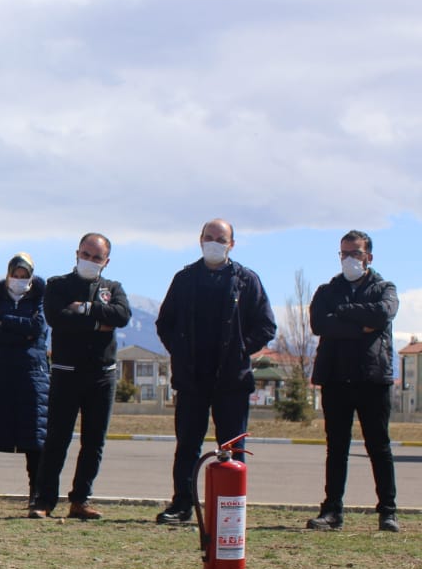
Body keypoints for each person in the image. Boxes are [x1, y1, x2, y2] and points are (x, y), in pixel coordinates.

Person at [154, 219, 276, 524]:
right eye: (209, 237)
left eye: (220, 239)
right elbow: (164, 323)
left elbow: (266, 326)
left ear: (231, 244)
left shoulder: (247, 280)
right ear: (199, 240)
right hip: (192, 379)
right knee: (187, 446)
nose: (214, 243)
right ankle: (182, 504)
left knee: (232, 447)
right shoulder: (184, 279)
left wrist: (240, 349)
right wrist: (181, 352)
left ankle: (230, 509)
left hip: (231, 381)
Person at [33, 233, 131, 520]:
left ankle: (80, 500)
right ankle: (44, 500)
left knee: (94, 442)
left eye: (96, 257)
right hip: (67, 373)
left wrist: (86, 309)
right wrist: (100, 323)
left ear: (106, 261)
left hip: (102, 375)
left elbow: (122, 315)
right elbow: (58, 318)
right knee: (57, 439)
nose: (90, 261)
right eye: (86, 255)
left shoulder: (113, 287)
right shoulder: (58, 285)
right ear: (77, 254)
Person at [306, 230, 400, 533]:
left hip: (373, 379)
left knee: (379, 447)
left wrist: (342, 315)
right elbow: (320, 323)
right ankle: (332, 511)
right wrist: (361, 326)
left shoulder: (385, 288)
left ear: (368, 257)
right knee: (337, 447)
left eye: (355, 253)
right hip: (335, 379)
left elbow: (383, 314)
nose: (349, 259)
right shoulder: (327, 290)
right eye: (344, 253)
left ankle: (388, 512)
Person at [0, 253, 49, 514]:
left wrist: (6, 322)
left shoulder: (41, 297)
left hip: (33, 376)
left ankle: (36, 495)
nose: (19, 280)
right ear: (8, 275)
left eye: (24, 276)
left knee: (35, 435)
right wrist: (22, 331)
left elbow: (38, 327)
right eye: (15, 275)